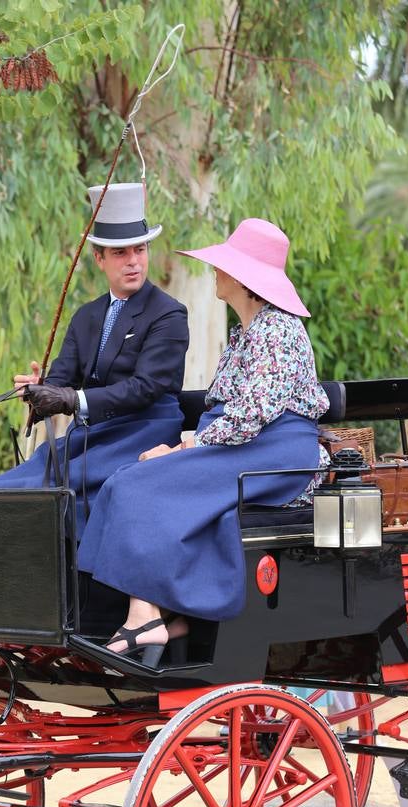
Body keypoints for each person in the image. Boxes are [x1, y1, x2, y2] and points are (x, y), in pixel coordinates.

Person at [77, 217, 330, 665]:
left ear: (243, 278)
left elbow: (250, 416)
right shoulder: (246, 333)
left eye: (223, 266)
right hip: (245, 445)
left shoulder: (278, 330)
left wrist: (184, 447)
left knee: (140, 483)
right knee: (128, 479)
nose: (215, 272)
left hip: (276, 451)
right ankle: (160, 610)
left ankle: (145, 618)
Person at [0, 183, 189, 537]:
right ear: (100, 258)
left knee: (57, 498)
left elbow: (145, 388)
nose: (134, 261)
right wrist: (40, 390)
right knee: (1, 491)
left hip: (143, 430)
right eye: (121, 253)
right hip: (93, 437)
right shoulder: (87, 316)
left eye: (140, 250)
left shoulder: (168, 314)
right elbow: (62, 379)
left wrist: (72, 400)